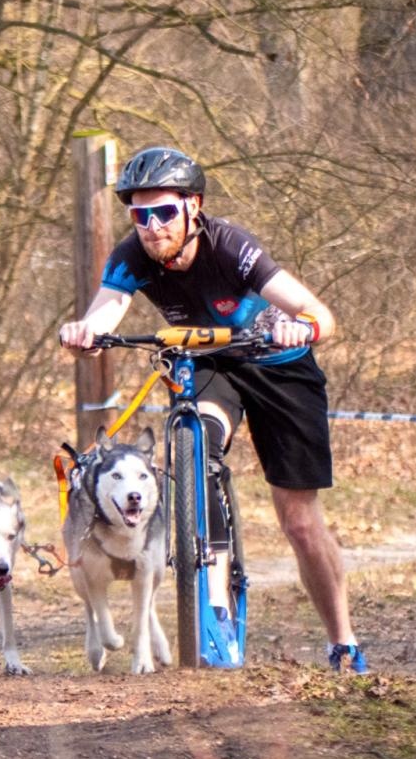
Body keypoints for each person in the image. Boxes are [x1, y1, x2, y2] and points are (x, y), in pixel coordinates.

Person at [58, 146, 367, 673]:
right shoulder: (132, 255)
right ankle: (215, 602)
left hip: (280, 366)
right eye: (140, 214)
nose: (152, 226)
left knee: (298, 522)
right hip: (210, 364)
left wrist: (303, 325)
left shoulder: (232, 247)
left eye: (164, 212)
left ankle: (342, 640)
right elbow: (106, 310)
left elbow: (321, 314)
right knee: (195, 437)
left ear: (193, 207)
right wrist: (86, 332)